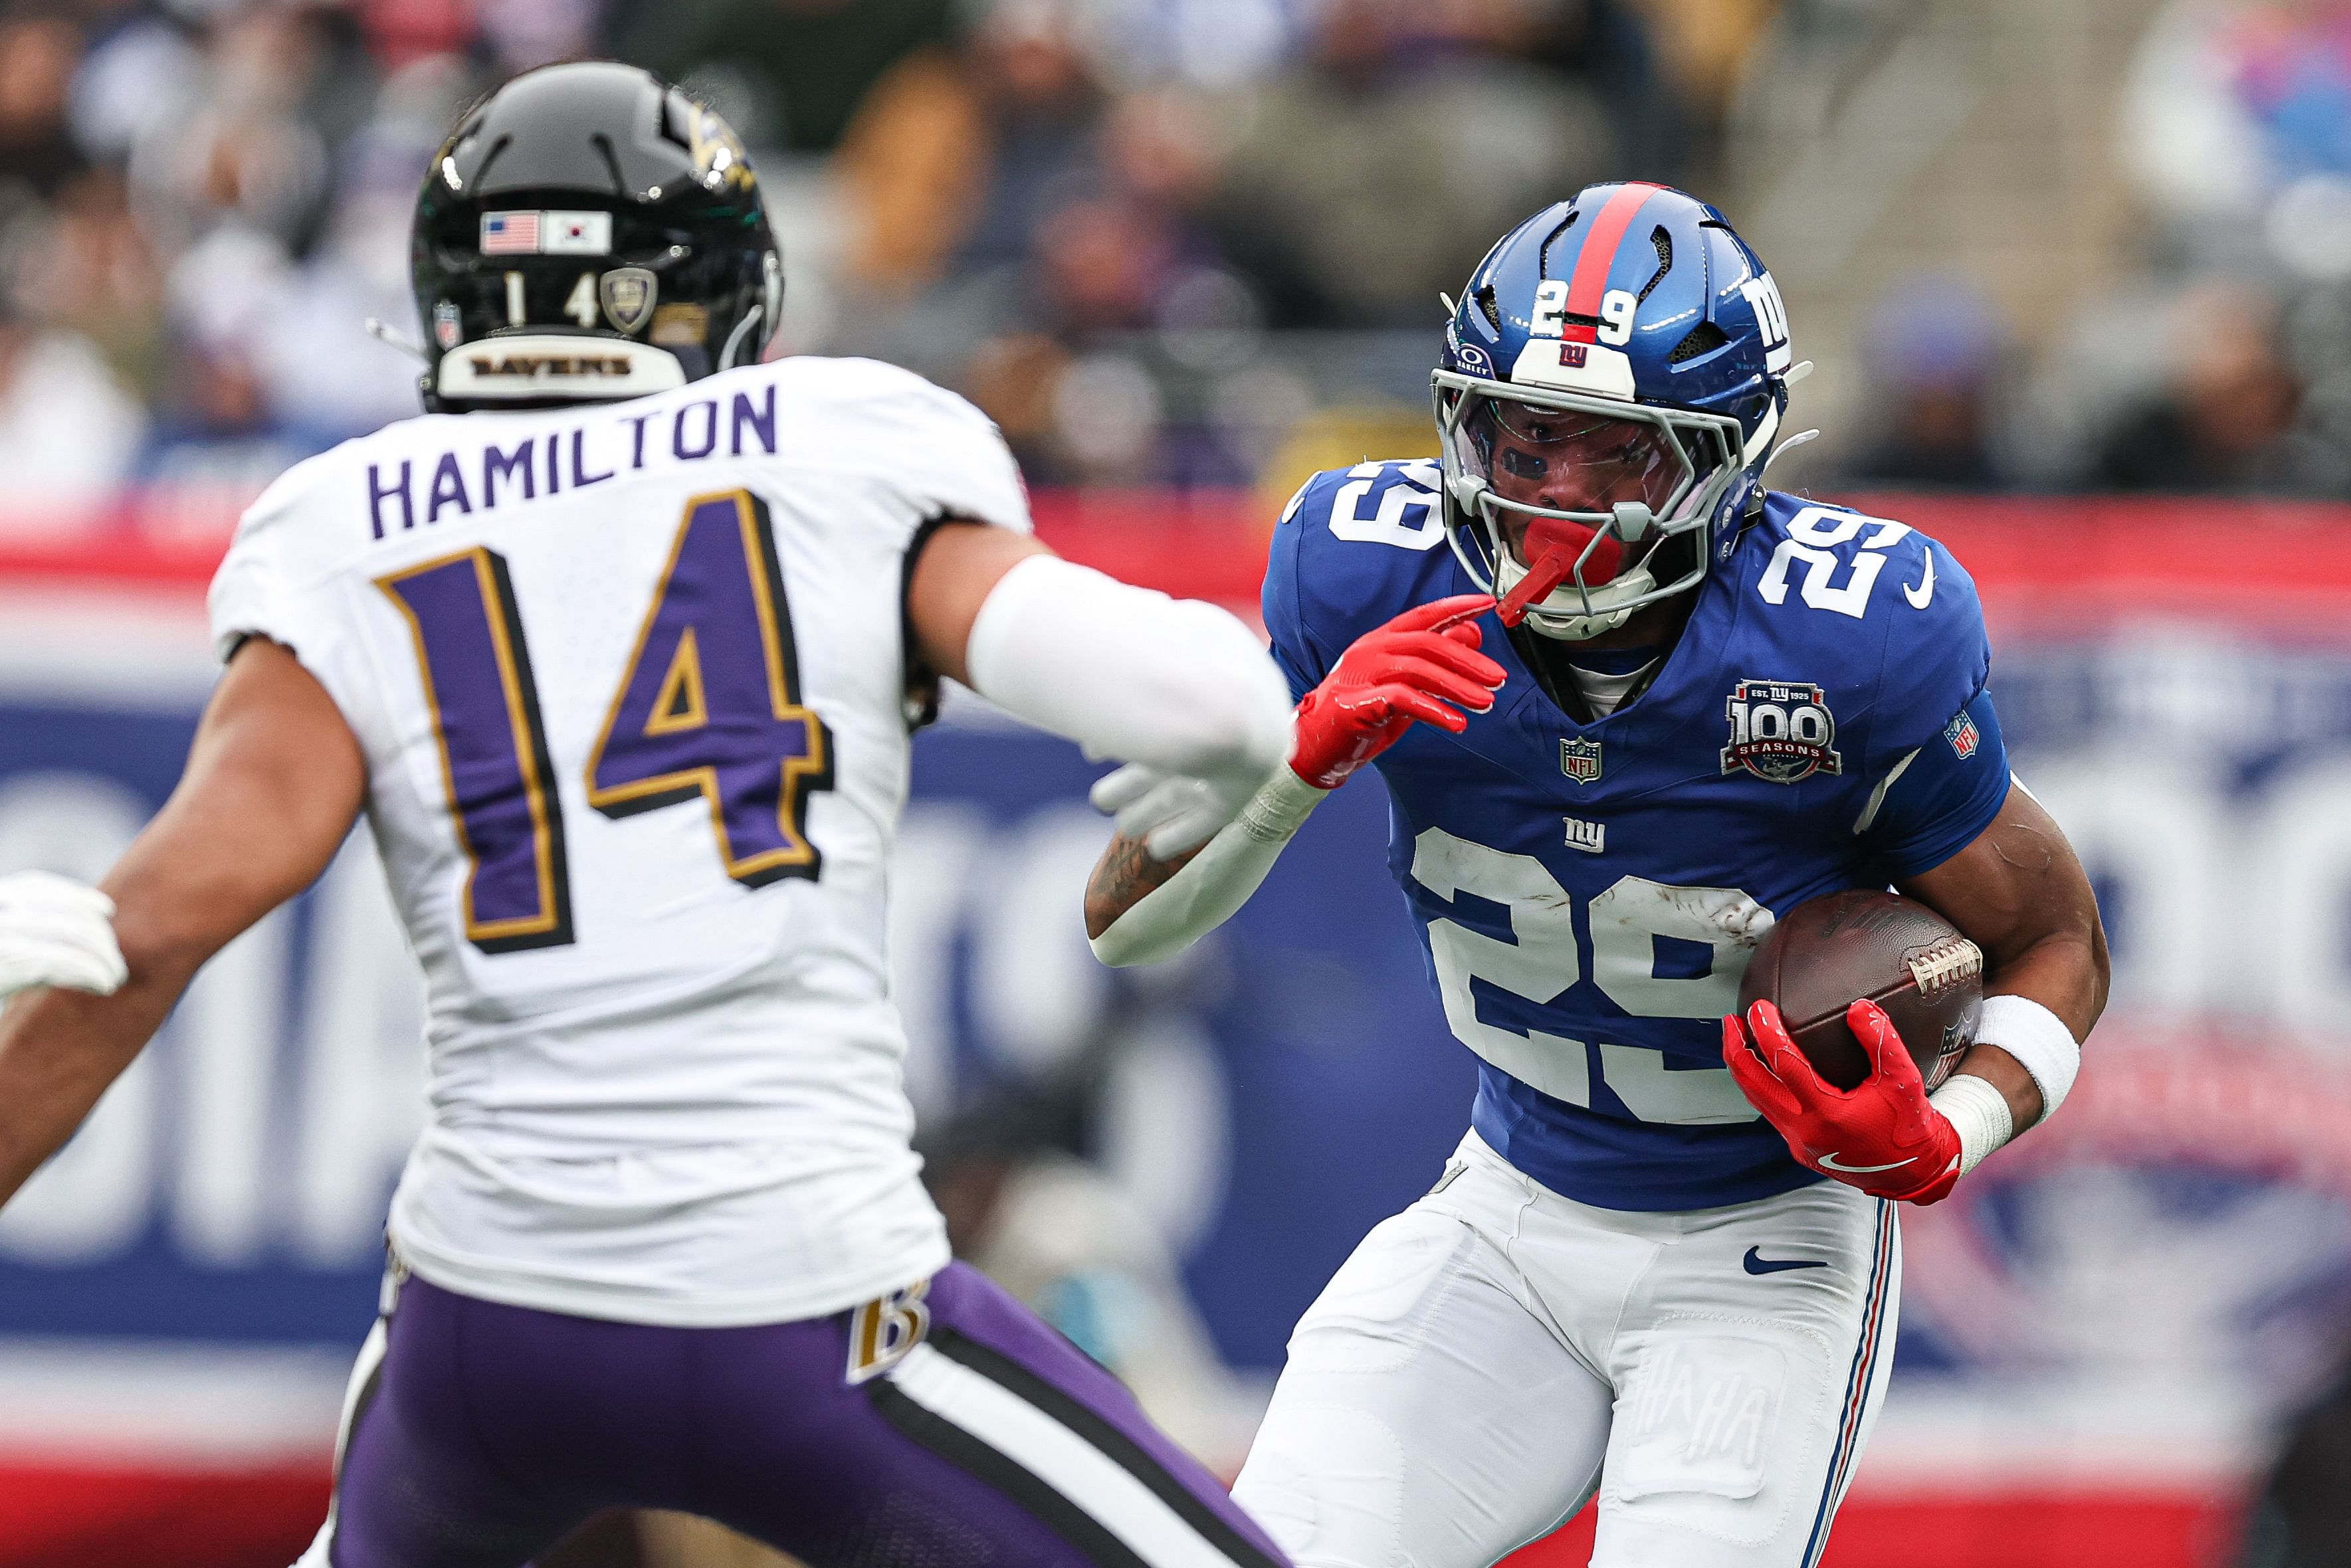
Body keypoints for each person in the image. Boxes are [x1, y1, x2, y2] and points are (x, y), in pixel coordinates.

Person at [0, 62, 1306, 1568]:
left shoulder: (345, 520)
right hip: (803, 1315)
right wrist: (1231, 745)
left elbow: (151, 930)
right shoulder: (841, 444)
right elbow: (1205, 709)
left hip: (482, 1342)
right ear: (722, 295)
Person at [1083, 182, 2110, 1568]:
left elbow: (2054, 940)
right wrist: (1291, 763)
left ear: (1723, 457)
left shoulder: (1846, 641)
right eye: (1527, 436)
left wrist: (1949, 1135)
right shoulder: (1360, 574)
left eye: (1616, 454)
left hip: (1761, 1248)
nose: (1553, 495)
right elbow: (1121, 926)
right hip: (1505, 1216)